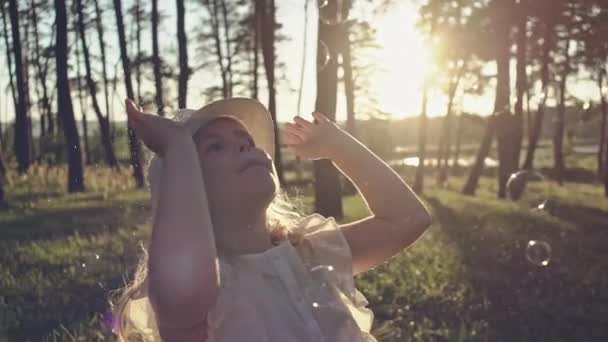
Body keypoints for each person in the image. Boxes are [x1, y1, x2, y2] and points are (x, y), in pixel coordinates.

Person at [111, 97, 432, 341]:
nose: (242, 146)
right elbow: (185, 288)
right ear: (187, 187)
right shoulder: (201, 286)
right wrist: (178, 146)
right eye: (216, 147)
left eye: (246, 142)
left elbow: (407, 218)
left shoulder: (310, 252)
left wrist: (339, 147)